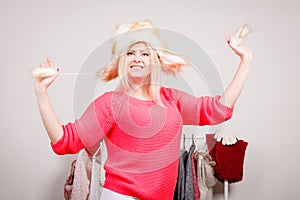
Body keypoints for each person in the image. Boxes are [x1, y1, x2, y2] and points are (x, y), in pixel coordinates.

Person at [33, 20, 253, 200]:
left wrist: (245, 60)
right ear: (122, 61)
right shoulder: (110, 103)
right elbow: (64, 142)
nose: (137, 58)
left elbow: (218, 109)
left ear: (155, 61)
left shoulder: (171, 99)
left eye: (144, 53)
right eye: (130, 53)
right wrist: (41, 92)